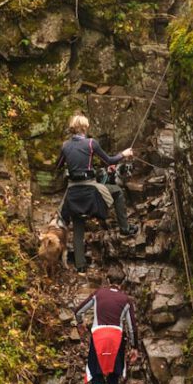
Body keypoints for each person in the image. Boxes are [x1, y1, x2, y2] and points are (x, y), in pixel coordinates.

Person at [57, 114, 139, 273]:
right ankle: (125, 228)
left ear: (73, 128)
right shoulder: (91, 143)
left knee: (77, 223)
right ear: (85, 128)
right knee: (117, 192)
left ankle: (80, 266)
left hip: (73, 192)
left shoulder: (65, 145)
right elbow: (110, 160)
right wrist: (124, 154)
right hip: (90, 189)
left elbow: (59, 165)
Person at [74, 283, 140, 384]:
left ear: (109, 281)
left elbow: (78, 310)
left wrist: (80, 324)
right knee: (114, 369)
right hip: (116, 336)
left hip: (99, 336)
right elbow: (132, 326)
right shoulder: (126, 299)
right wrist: (134, 346)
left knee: (96, 378)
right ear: (121, 285)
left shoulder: (98, 293)